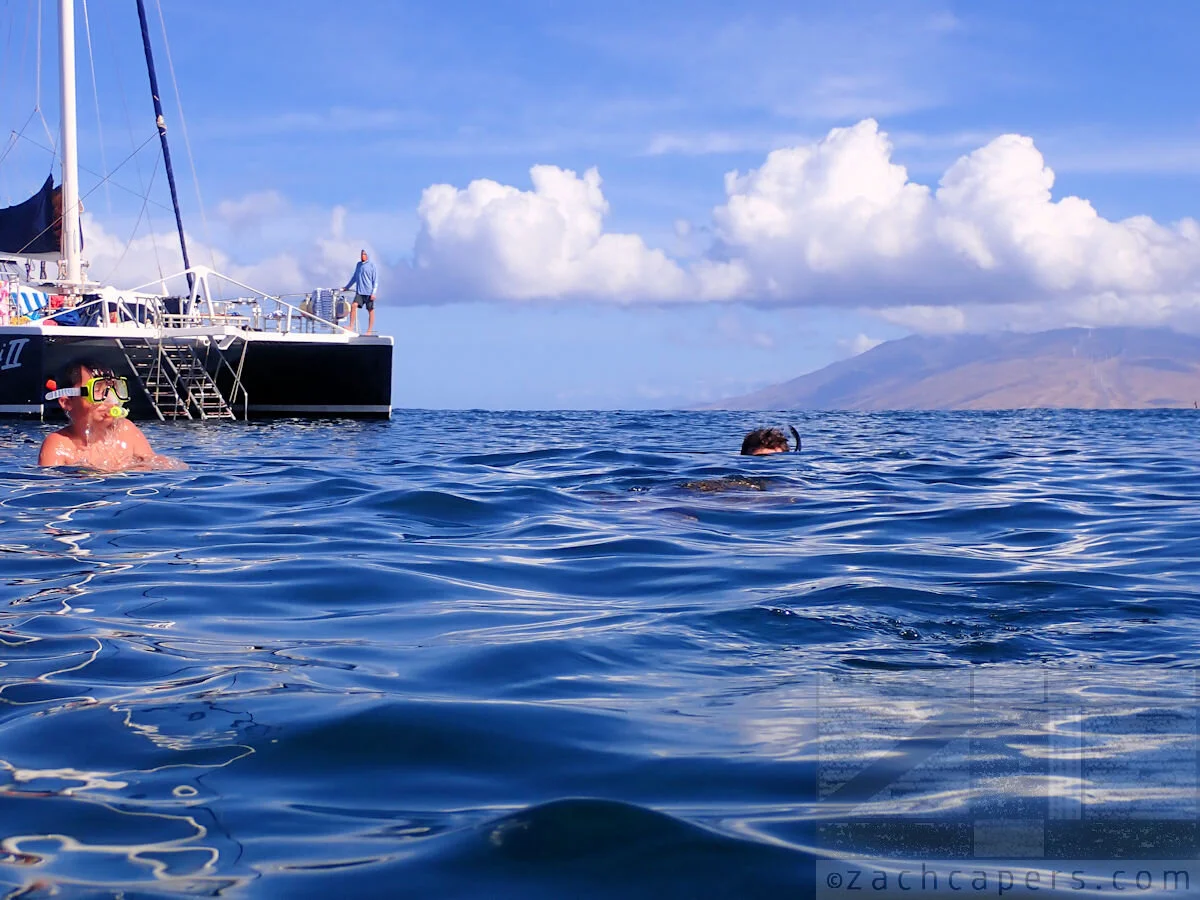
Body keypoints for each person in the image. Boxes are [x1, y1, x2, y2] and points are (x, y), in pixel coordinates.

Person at [37, 359, 185, 470]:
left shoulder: (126, 431)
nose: (111, 400)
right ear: (67, 402)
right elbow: (51, 494)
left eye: (114, 390)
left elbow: (155, 464)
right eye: (97, 391)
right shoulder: (58, 445)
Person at [343, 249, 378, 335]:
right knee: (353, 305)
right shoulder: (358, 265)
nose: (363, 256)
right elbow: (354, 277)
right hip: (360, 292)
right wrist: (347, 287)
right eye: (362, 254)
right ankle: (351, 326)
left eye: (365, 254)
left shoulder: (372, 265)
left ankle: (369, 330)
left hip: (369, 292)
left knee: (370, 310)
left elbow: (375, 280)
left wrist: (373, 292)